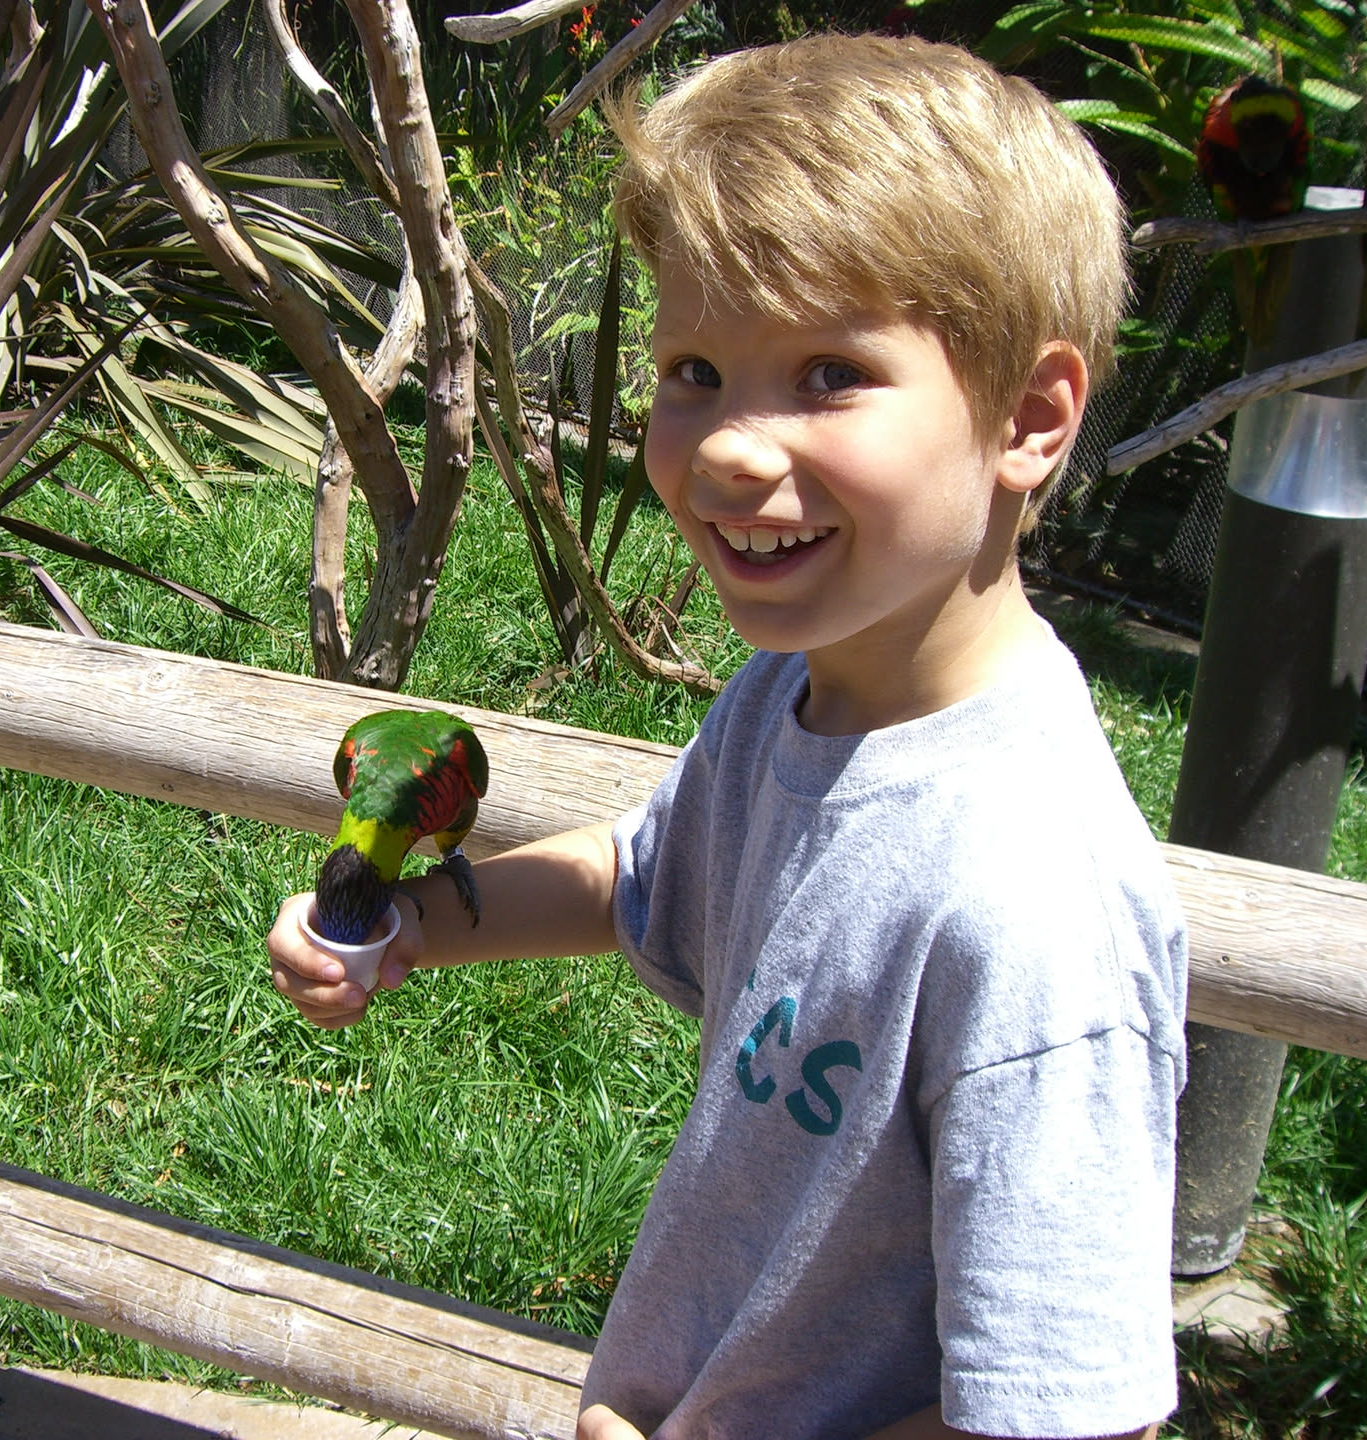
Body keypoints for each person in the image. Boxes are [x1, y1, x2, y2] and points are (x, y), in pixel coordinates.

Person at [268, 31, 1188, 1440]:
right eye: (694, 368)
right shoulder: (796, 693)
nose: (728, 448)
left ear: (1031, 416)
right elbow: (640, 878)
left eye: (828, 375)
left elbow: (1070, 1418)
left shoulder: (1030, 908)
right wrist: (399, 928)